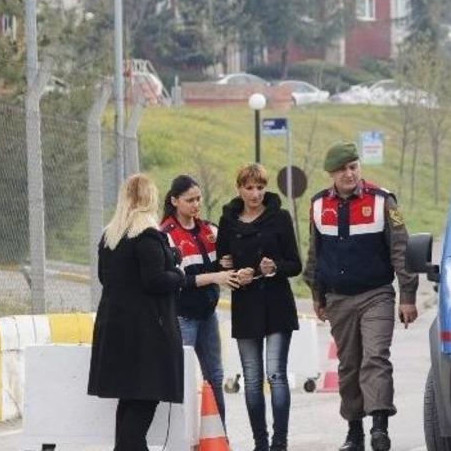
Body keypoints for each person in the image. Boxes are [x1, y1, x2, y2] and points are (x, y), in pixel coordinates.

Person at [303, 142, 419, 451]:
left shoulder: (382, 201)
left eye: (353, 166)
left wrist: (407, 295)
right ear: (331, 174)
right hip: (338, 299)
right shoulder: (317, 205)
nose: (349, 173)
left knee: (375, 358)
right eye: (342, 169)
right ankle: (354, 431)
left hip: (376, 295)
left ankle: (379, 428)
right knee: (349, 365)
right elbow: (315, 255)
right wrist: (317, 295)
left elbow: (402, 250)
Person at [87, 174, 186, 451]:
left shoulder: (111, 236)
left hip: (114, 327)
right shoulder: (148, 235)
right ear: (151, 199)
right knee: (144, 401)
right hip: (146, 333)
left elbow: (106, 277)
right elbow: (154, 280)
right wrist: (178, 275)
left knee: (129, 400)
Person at [217, 163, 301, 451]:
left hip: (276, 303)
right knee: (251, 379)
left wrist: (274, 267)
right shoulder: (228, 220)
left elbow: (295, 264)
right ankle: (260, 442)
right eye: (249, 188)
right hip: (245, 304)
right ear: (239, 188)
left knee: (276, 374)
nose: (255, 194)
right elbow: (221, 260)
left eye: (260, 187)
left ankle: (280, 441)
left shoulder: (280, 217)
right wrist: (226, 267)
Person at [160, 174, 239, 425]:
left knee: (215, 376)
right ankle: (178, 435)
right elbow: (180, 280)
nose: (195, 204)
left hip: (208, 315)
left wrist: (226, 263)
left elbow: (221, 262)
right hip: (182, 316)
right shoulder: (167, 235)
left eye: (198, 199)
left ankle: (219, 435)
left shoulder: (209, 229)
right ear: (175, 201)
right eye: (189, 200)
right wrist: (217, 274)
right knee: (180, 376)